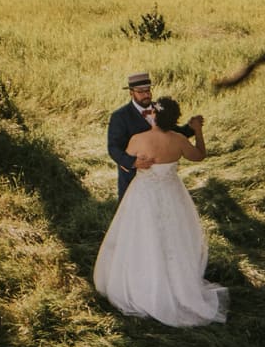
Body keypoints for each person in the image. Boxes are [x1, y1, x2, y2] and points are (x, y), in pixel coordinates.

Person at [93, 96, 229, 327]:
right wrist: (197, 131)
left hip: (144, 195)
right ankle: (176, 283)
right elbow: (199, 155)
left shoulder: (138, 139)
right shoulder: (178, 140)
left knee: (142, 236)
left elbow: (127, 160)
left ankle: (142, 284)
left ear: (154, 115)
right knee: (173, 237)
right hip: (172, 194)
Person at [106, 73, 159, 198]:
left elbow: (175, 133)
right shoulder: (120, 116)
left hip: (161, 173)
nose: (146, 94)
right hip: (132, 176)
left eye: (148, 90)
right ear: (131, 92)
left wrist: (192, 128)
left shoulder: (161, 109)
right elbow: (113, 147)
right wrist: (133, 162)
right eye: (141, 91)